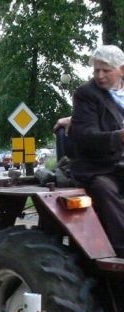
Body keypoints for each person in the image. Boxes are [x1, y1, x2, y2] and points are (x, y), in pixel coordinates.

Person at [70, 44, 124, 257]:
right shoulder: (86, 94)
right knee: (104, 188)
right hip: (100, 167)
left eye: (106, 70)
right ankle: (120, 248)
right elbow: (84, 135)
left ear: (121, 70)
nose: (99, 76)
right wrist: (117, 137)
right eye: (96, 70)